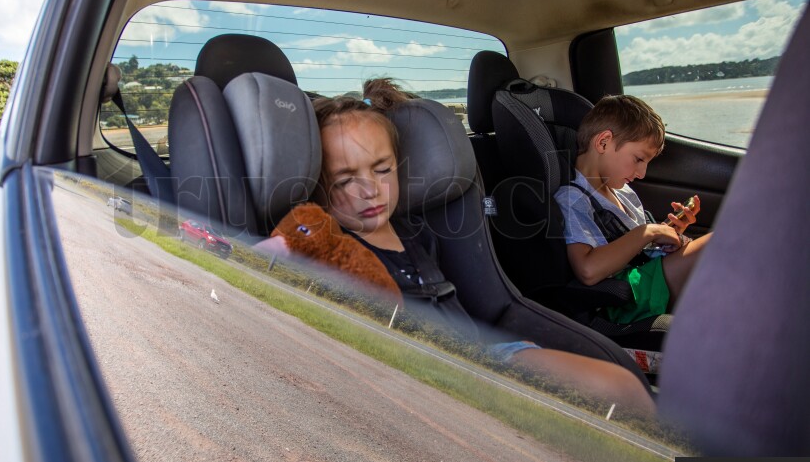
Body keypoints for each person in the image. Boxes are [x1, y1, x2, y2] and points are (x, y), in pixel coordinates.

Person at [265, 78, 656, 415]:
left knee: (623, 389)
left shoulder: (419, 231)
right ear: (318, 181)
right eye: (345, 178)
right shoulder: (331, 243)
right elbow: (275, 256)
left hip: (479, 352)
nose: (369, 189)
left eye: (381, 169)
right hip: (430, 377)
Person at [554, 94, 713, 324]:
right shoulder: (573, 199)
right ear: (604, 142)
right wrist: (647, 232)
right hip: (621, 300)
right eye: (639, 159)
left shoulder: (623, 193)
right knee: (718, 244)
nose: (642, 173)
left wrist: (667, 234)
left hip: (645, 277)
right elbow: (587, 270)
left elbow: (638, 249)